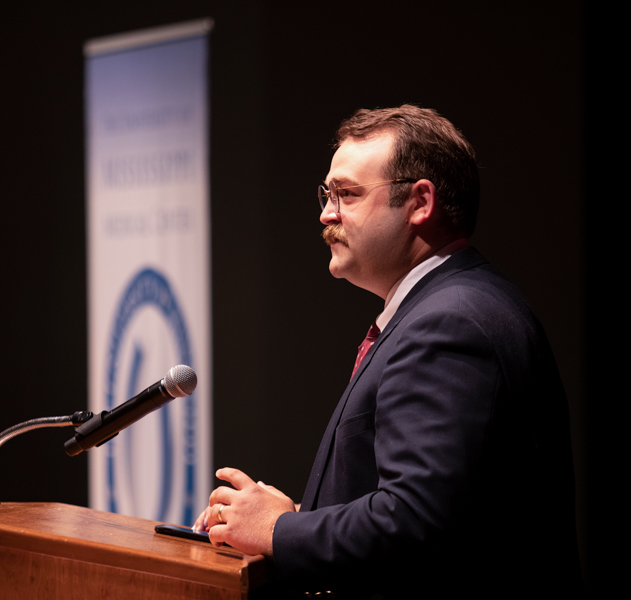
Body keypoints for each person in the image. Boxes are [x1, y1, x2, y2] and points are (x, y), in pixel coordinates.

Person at [194, 105, 583, 598]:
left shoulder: (451, 322)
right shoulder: (451, 305)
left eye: (347, 195)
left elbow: (414, 522)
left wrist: (279, 531)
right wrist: (293, 519)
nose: (326, 213)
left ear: (420, 202)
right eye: (327, 194)